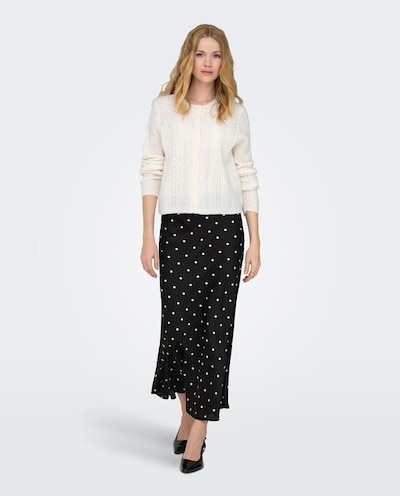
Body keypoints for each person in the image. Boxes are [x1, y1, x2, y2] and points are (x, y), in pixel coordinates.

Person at [139, 23, 261, 474]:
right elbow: (151, 167)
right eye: (201, 53)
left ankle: (198, 433)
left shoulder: (235, 111)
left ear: (224, 61)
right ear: (188, 57)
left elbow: (246, 173)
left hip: (225, 232)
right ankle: (187, 416)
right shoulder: (164, 109)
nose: (208, 62)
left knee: (215, 333)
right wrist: (148, 235)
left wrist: (255, 238)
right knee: (180, 331)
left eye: (216, 54)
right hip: (177, 231)